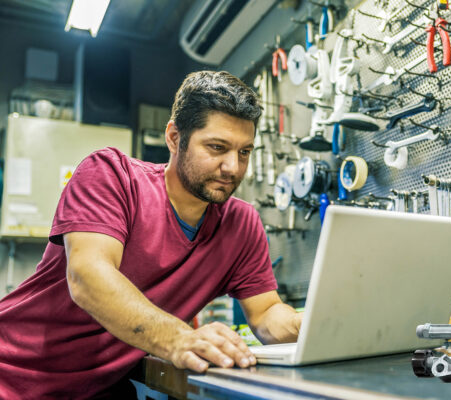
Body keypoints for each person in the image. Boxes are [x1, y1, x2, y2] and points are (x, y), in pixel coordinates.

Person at [0, 70, 303, 399]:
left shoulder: (241, 225)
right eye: (217, 148)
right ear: (174, 137)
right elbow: (88, 278)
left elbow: (266, 313)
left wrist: (312, 327)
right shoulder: (111, 175)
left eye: (244, 152)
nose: (232, 167)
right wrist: (179, 339)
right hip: (14, 377)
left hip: (96, 388)